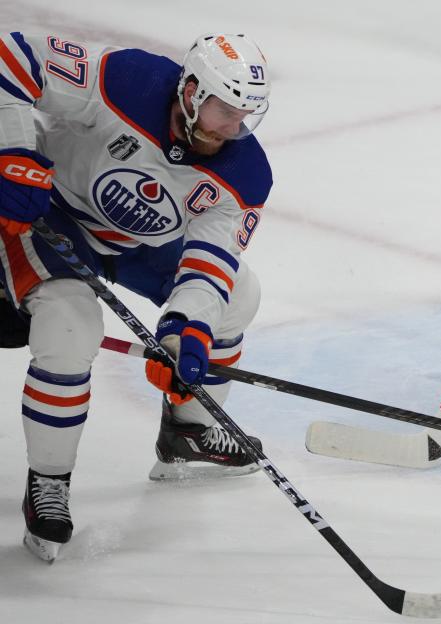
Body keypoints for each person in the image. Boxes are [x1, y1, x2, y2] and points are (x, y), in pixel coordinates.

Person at [0, 32, 272, 561]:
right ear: (191, 92)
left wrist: (184, 330)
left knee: (239, 295)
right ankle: (49, 482)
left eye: (244, 116)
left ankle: (187, 430)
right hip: (49, 216)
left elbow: (211, 264)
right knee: (71, 326)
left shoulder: (245, 173)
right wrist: (12, 152)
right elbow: (8, 56)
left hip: (135, 243)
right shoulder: (125, 81)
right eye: (224, 110)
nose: (232, 128)